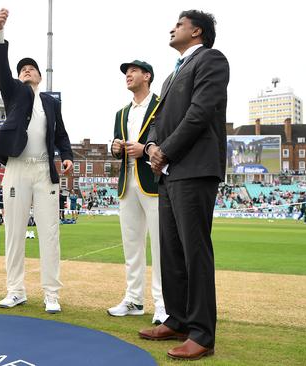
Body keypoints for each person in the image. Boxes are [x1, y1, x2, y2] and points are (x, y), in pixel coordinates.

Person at [140, 10, 229, 361]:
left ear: (196, 31)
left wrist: (165, 149)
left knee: (195, 253)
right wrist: (150, 147)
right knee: (171, 252)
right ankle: (177, 319)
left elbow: (200, 112)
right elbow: (159, 120)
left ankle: (202, 334)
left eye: (179, 24)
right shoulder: (170, 76)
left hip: (195, 169)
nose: (172, 27)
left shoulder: (211, 60)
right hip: (169, 172)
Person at [0, 8, 74, 314]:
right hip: (16, 168)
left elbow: (62, 136)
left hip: (43, 169)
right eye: (22, 69)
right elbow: (1, 68)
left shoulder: (51, 102)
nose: (26, 70)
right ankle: (15, 290)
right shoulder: (14, 93)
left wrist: (66, 158)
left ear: (40, 75)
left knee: (50, 231)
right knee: (13, 231)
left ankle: (51, 293)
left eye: (31, 68)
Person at [109, 59, 168, 325]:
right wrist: (115, 147)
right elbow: (115, 146)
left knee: (160, 245)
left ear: (147, 76)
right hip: (127, 182)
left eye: (133, 71)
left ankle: (163, 304)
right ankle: (134, 300)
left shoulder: (161, 105)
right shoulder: (121, 113)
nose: (128, 75)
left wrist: (143, 149)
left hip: (153, 182)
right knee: (131, 246)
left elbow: (166, 139)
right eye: (126, 72)